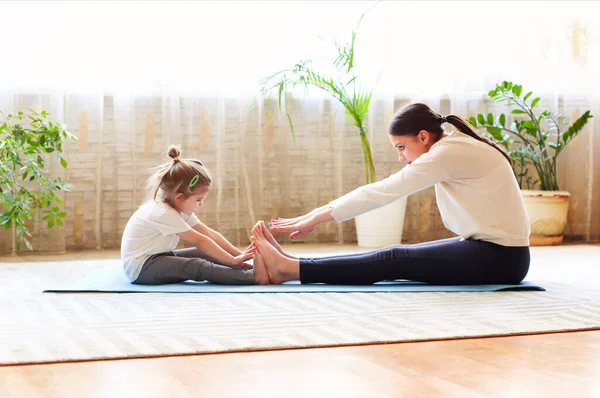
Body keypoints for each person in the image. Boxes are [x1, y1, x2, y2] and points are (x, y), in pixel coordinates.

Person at [253, 103, 531, 285]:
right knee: (394, 257)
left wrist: (316, 218)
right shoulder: (453, 146)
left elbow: (383, 191)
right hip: (498, 254)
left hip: (500, 259)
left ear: (423, 137)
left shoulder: (446, 154)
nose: (400, 156)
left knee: (392, 260)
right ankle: (291, 265)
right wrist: (315, 214)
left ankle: (290, 269)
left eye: (401, 147)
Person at [120, 146, 269, 285]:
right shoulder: (163, 213)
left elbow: (210, 234)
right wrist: (232, 260)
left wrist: (242, 257)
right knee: (197, 266)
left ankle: (248, 269)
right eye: (198, 200)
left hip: (159, 257)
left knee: (205, 253)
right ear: (179, 197)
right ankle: (253, 277)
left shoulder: (179, 207)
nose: (201, 204)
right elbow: (200, 240)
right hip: (141, 268)